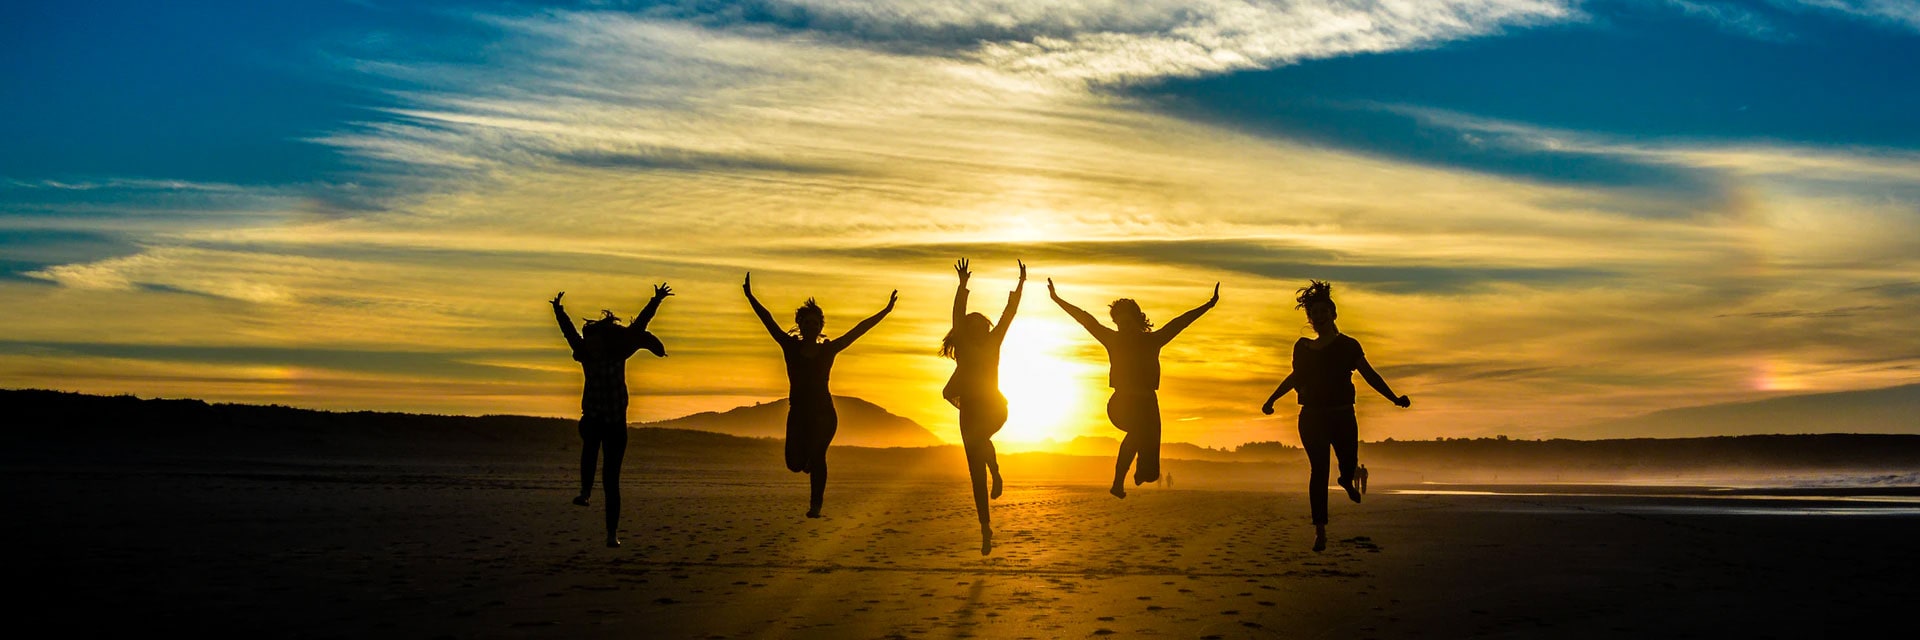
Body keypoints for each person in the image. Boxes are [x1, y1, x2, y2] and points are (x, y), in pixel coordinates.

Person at [1261, 280, 1409, 552]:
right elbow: (1296, 377)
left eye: (1323, 312)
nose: (1318, 317)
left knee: (1349, 462)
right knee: (1318, 470)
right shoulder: (1303, 347)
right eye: (1314, 313)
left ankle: (1346, 478)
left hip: (1342, 416)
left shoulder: (1348, 346)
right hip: (1312, 417)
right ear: (1310, 318)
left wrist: (1394, 398)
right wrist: (1272, 399)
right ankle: (1320, 531)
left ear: (1333, 314)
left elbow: (1370, 375)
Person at [744, 273, 896, 518]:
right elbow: (768, 320)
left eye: (816, 323)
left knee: (818, 455)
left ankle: (816, 505)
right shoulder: (789, 346)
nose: (812, 326)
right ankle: (807, 464)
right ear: (800, 324)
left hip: (824, 413)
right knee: (794, 464)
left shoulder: (829, 350)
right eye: (807, 322)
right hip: (798, 413)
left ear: (821, 326)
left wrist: (886, 310)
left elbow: (858, 330)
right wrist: (750, 297)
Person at [1050, 278, 1217, 499]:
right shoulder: (1112, 339)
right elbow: (1085, 319)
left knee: (1151, 473)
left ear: (1137, 321)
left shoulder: (1153, 340)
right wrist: (1057, 299)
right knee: (1137, 431)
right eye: (1119, 324)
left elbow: (1180, 322)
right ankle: (1117, 483)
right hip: (1121, 403)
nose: (1123, 329)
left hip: (1148, 404)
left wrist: (1208, 304)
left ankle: (1141, 471)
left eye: (1127, 323)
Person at [552, 285, 671, 548]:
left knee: (611, 481)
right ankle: (584, 492)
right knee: (590, 443)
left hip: (616, 425)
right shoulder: (584, 355)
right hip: (594, 418)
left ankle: (611, 534)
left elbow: (639, 326)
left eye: (593, 342)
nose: (589, 346)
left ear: (603, 342)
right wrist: (558, 311)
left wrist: (656, 300)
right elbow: (569, 333)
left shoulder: (618, 352)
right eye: (588, 342)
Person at [941, 258, 1024, 554]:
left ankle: (996, 469)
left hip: (994, 407)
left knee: (979, 440)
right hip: (970, 413)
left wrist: (1020, 286)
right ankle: (985, 530)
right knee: (976, 475)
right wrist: (962, 286)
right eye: (971, 324)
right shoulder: (963, 345)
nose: (977, 327)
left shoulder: (993, 342)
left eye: (980, 324)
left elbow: (1008, 316)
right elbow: (956, 315)